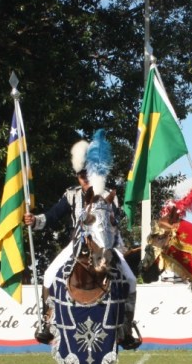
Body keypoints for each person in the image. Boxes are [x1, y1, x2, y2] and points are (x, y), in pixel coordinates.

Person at [24, 133, 139, 348]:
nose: (84, 179)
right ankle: (47, 321)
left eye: (87, 174)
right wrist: (35, 220)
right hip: (76, 246)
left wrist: (115, 221)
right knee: (49, 274)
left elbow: (117, 222)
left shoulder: (108, 195)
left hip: (106, 246)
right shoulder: (71, 195)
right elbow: (51, 216)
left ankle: (126, 326)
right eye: (80, 175)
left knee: (131, 279)